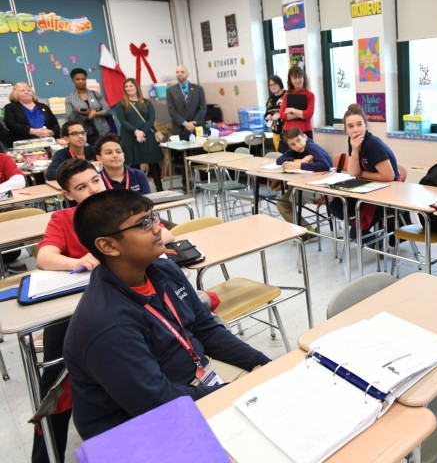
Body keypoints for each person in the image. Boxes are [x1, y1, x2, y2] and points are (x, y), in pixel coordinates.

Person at [64, 189, 271, 440]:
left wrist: (265, 365)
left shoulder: (163, 269)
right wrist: (238, 390)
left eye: (154, 217)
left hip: (194, 379)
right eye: (143, 224)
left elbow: (207, 330)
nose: (157, 228)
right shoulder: (107, 325)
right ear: (108, 245)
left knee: (280, 401)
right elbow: (157, 402)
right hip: (137, 425)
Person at [31, 159, 174, 461]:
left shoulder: (121, 209)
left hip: (128, 303)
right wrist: (78, 261)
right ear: (69, 194)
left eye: (94, 181)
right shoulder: (62, 218)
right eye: (81, 187)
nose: (92, 189)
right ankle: (46, 454)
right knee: (56, 383)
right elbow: (44, 256)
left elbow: (165, 233)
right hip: (79, 310)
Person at [328, 104, 400, 239]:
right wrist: (355, 150)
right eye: (350, 126)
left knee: (356, 234)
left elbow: (389, 176)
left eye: (359, 124)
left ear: (366, 125)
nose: (356, 130)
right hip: (369, 189)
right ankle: (363, 227)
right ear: (345, 130)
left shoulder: (373, 145)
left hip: (387, 192)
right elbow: (353, 172)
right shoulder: (353, 142)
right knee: (336, 206)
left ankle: (376, 241)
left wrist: (361, 174)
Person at [275, 127, 332, 233]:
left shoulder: (311, 148)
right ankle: (307, 231)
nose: (297, 145)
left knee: (285, 202)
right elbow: (279, 160)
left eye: (298, 140)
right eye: (292, 144)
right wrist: (298, 160)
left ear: (304, 137)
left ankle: (306, 232)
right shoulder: (295, 150)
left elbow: (325, 165)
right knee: (282, 204)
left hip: (321, 187)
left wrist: (300, 165)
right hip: (304, 184)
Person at [113, 78, 164, 191]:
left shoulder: (147, 103)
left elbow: (151, 120)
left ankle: (159, 188)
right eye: (126, 86)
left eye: (131, 86)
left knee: (153, 162)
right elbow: (123, 121)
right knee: (134, 164)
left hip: (147, 136)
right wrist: (136, 132)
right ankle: (137, 190)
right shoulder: (121, 104)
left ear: (136, 87)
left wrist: (142, 132)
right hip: (130, 136)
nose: (129, 88)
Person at [3, 82, 61, 147]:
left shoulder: (43, 107)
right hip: (23, 144)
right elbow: (11, 124)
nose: (26, 92)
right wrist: (33, 131)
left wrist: (51, 132)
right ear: (15, 93)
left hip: (47, 143)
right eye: (22, 90)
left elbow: (55, 124)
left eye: (29, 90)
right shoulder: (10, 107)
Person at [64, 68, 112, 146]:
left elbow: (107, 110)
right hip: (84, 133)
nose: (81, 81)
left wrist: (94, 113)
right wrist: (85, 117)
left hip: (103, 131)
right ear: (73, 81)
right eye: (78, 79)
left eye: (83, 79)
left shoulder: (95, 93)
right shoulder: (69, 98)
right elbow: (70, 117)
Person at [166, 65, 207, 140]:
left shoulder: (198, 89)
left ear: (188, 74)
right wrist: (185, 124)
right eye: (177, 72)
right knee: (181, 151)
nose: (179, 74)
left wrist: (193, 123)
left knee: (199, 151)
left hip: (196, 128)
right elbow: (172, 111)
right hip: (180, 129)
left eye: (182, 72)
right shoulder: (170, 91)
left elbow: (203, 108)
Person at [279, 65, 315, 139]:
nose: (297, 80)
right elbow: (282, 115)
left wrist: (292, 110)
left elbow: (309, 115)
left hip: (305, 130)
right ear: (290, 80)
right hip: (288, 131)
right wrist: (301, 115)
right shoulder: (287, 94)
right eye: (294, 78)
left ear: (303, 78)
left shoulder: (310, 95)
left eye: (300, 77)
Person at [264, 75, 286, 152]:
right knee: (279, 155)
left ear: (280, 84)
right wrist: (268, 116)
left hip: (287, 132)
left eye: (275, 84)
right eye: (270, 85)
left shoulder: (287, 95)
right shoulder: (270, 98)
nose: (272, 87)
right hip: (275, 132)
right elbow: (266, 113)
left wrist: (280, 115)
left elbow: (291, 111)